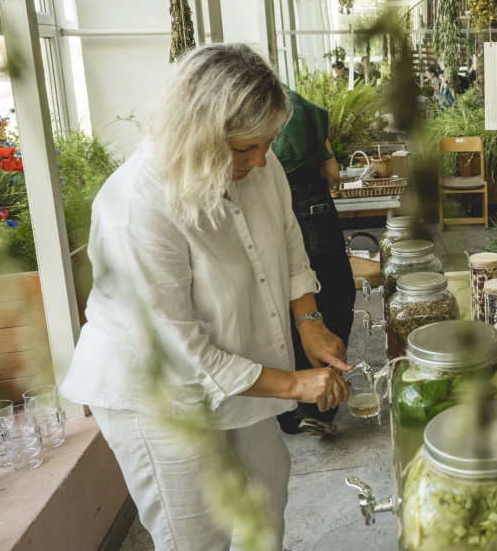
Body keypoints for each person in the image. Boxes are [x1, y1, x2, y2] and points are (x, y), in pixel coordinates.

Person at [60, 44, 353, 551]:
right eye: (245, 150)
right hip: (157, 393)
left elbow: (286, 238)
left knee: (266, 490)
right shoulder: (138, 209)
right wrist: (294, 385)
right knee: (198, 535)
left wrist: (308, 318)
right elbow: (182, 353)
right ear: (197, 137)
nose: (262, 160)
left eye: (267, 143)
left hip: (229, 363)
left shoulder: (259, 165)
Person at [271, 89, 356, 436]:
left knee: (283, 298)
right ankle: (317, 403)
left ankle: (288, 405)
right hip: (310, 204)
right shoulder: (302, 109)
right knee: (334, 293)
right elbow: (332, 171)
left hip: (278, 211)